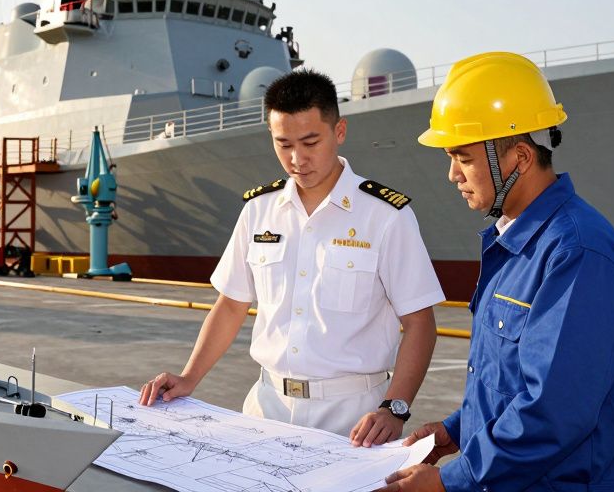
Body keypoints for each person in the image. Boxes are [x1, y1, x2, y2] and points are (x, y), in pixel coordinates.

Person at [377, 52, 614, 492]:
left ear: (520, 157)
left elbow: (555, 411)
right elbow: (511, 384)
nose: (452, 175)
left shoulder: (576, 252)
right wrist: (457, 430)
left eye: (463, 158)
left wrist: (450, 481)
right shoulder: (516, 242)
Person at [140, 69, 445, 446]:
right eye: (283, 144)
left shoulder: (385, 216)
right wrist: (189, 377)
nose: (297, 158)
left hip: (354, 418)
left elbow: (420, 322)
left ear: (339, 131)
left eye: (310, 142)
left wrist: (394, 408)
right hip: (266, 408)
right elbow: (231, 305)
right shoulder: (259, 210)